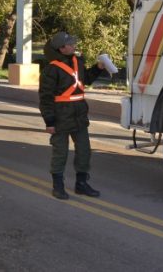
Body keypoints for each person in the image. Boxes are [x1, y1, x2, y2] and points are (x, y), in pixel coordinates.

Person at [39, 31, 105, 200]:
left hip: (79, 115)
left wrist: (97, 69)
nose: (74, 45)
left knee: (84, 151)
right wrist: (49, 121)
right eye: (70, 44)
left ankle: (81, 184)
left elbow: (86, 79)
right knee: (60, 153)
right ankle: (58, 185)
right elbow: (45, 97)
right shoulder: (51, 69)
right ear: (62, 48)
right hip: (60, 116)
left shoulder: (78, 62)